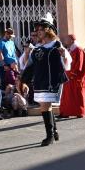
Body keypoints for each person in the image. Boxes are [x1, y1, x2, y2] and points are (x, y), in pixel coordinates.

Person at [22, 14, 71, 146]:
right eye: (37, 30)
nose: (38, 32)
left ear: (48, 30)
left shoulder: (56, 44)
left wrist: (64, 55)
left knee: (45, 106)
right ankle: (54, 132)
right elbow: (27, 65)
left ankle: (49, 136)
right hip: (39, 81)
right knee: (45, 107)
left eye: (41, 29)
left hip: (51, 80)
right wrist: (27, 54)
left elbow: (66, 62)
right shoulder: (36, 47)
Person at [59, 34, 85, 118]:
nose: (65, 40)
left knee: (77, 95)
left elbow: (79, 64)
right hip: (68, 76)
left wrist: (73, 74)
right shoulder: (69, 50)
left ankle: (80, 112)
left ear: (72, 40)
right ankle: (65, 112)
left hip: (76, 77)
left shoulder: (78, 50)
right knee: (66, 96)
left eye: (67, 39)